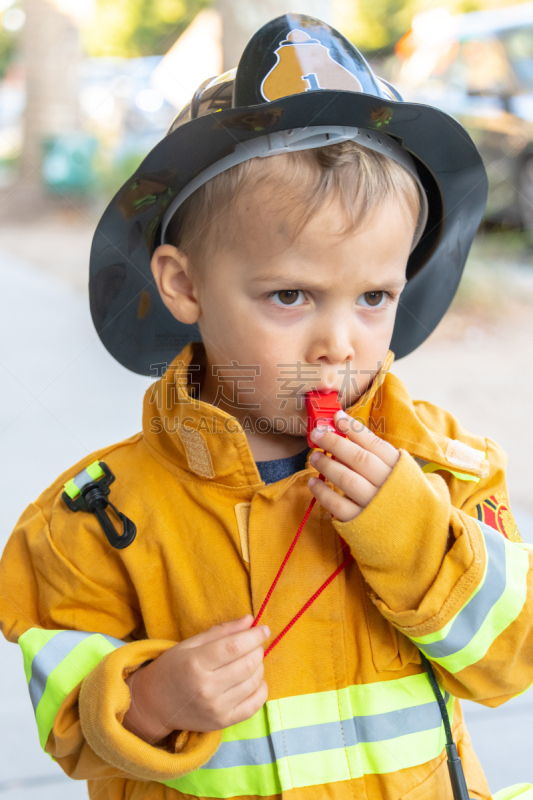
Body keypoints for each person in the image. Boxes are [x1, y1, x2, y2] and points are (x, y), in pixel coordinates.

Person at [0, 13, 531, 800]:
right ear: (183, 285)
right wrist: (152, 700)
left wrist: (414, 535)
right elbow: (69, 727)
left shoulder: (440, 468)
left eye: (374, 297)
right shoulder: (96, 521)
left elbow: (508, 664)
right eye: (290, 295)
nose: (339, 344)